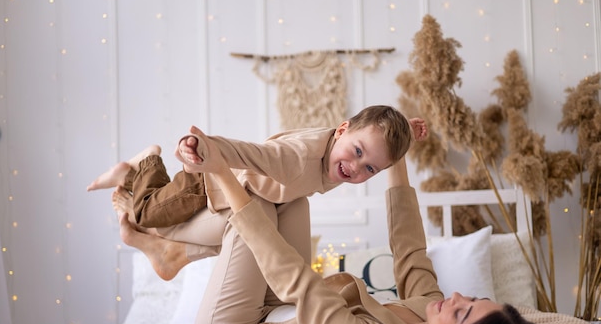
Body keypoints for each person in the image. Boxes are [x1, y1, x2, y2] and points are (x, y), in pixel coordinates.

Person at [118, 134, 558, 324]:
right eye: (472, 299)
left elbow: (299, 281)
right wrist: (398, 155)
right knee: (292, 197)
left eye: (462, 315)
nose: (458, 297)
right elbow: (409, 248)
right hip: (275, 306)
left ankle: (162, 234)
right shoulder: (427, 309)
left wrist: (220, 173)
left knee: (245, 214)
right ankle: (171, 250)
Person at [88, 105, 427, 230]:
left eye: (370, 169)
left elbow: (376, 142)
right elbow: (247, 152)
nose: (355, 168)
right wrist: (201, 148)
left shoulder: (342, 150)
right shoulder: (294, 158)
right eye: (356, 152)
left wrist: (407, 132)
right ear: (341, 130)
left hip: (241, 193)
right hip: (205, 183)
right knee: (147, 215)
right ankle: (146, 160)